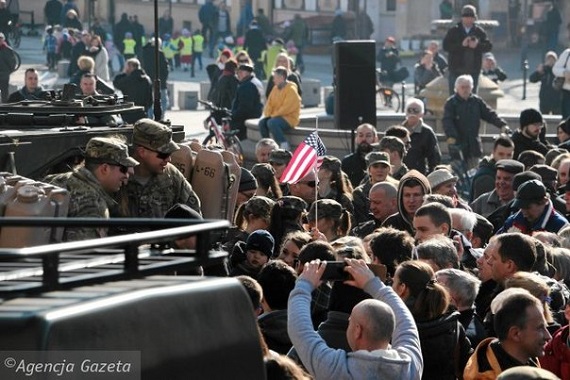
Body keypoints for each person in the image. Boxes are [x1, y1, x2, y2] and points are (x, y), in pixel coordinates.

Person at [287, 258, 423, 379]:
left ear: (358, 330)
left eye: (351, 321)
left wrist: (303, 285)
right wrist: (373, 283)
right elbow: (405, 320)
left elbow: (300, 330)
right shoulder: (410, 366)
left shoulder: (338, 370)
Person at [391, 260, 472, 379]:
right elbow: (467, 365)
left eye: (393, 282)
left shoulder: (396, 326)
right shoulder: (453, 324)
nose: (390, 286)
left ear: (402, 288)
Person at [47, 136, 138, 241]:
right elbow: (87, 253)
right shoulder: (93, 203)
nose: (127, 175)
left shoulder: (56, 179)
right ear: (105, 168)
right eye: (123, 169)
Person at [117, 118, 201, 218]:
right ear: (142, 152)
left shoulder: (171, 175)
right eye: (163, 154)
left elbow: (194, 212)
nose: (168, 159)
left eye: (169, 154)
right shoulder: (117, 176)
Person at [463, 288, 552, 378]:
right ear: (515, 334)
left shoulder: (529, 361)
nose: (548, 336)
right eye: (540, 328)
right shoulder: (486, 376)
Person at [443, 74, 510, 168]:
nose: (465, 89)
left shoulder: (476, 101)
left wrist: (502, 125)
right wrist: (452, 136)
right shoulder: (451, 103)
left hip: (474, 146)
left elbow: (489, 114)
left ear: (472, 88)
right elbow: (447, 122)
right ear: (457, 88)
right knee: (458, 175)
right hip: (458, 146)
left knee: (474, 173)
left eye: (468, 87)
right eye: (462, 87)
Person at [443, 4, 492, 95]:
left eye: (471, 17)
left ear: (474, 18)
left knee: (472, 97)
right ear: (462, 18)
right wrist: (461, 45)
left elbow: (488, 46)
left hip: (473, 70)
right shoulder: (454, 30)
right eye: (466, 17)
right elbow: (446, 46)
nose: (469, 20)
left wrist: (477, 45)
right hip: (456, 69)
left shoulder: (479, 31)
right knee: (454, 97)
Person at [499, 180, 569, 234]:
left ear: (544, 201)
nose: (524, 212)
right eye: (521, 207)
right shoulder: (513, 222)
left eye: (527, 207)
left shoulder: (561, 226)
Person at [258, 66, 301, 150]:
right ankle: (268, 145)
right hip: (276, 117)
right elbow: (269, 104)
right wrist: (268, 115)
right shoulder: (275, 89)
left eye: (275, 77)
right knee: (262, 123)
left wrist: (273, 115)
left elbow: (287, 108)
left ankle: (284, 144)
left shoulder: (291, 89)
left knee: (272, 122)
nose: (273, 80)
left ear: (282, 77)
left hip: (290, 118)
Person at [383, 170, 431, 235]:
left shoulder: (435, 222)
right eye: (407, 195)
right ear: (400, 197)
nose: (411, 200)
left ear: (425, 196)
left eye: (416, 195)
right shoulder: (391, 224)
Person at [401, 97, 441, 175]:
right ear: (405, 112)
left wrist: (430, 176)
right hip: (401, 175)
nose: (412, 113)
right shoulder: (399, 131)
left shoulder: (427, 132)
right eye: (409, 110)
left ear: (422, 114)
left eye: (416, 111)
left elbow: (434, 158)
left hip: (420, 175)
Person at [470, 135, 515, 202]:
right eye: (501, 154)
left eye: (509, 155)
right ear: (493, 153)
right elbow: (484, 207)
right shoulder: (486, 177)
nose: (505, 158)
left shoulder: (508, 171)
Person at [231, 63, 262, 141]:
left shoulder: (247, 86)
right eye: (237, 72)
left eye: (240, 72)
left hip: (245, 121)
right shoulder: (253, 82)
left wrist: (233, 115)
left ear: (247, 73)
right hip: (255, 116)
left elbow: (245, 108)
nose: (238, 75)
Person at [341, 123, 378, 188]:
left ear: (375, 138)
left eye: (368, 136)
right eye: (361, 135)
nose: (364, 139)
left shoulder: (381, 160)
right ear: (356, 138)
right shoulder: (347, 162)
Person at [142, 37, 169, 118]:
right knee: (163, 100)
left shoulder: (145, 52)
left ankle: (150, 116)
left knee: (149, 101)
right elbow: (165, 68)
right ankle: (160, 116)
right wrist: (165, 78)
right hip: (160, 80)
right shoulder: (160, 53)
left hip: (148, 80)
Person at [553, 47, 570, 119]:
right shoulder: (567, 53)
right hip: (567, 92)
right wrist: (564, 73)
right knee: (567, 120)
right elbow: (555, 69)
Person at [0, 32, 15, 102]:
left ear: (3, 40)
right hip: (5, 74)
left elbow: (12, 63)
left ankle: (4, 108)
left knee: (4, 93)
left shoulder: (8, 50)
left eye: (0, 39)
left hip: (4, 76)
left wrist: (8, 72)